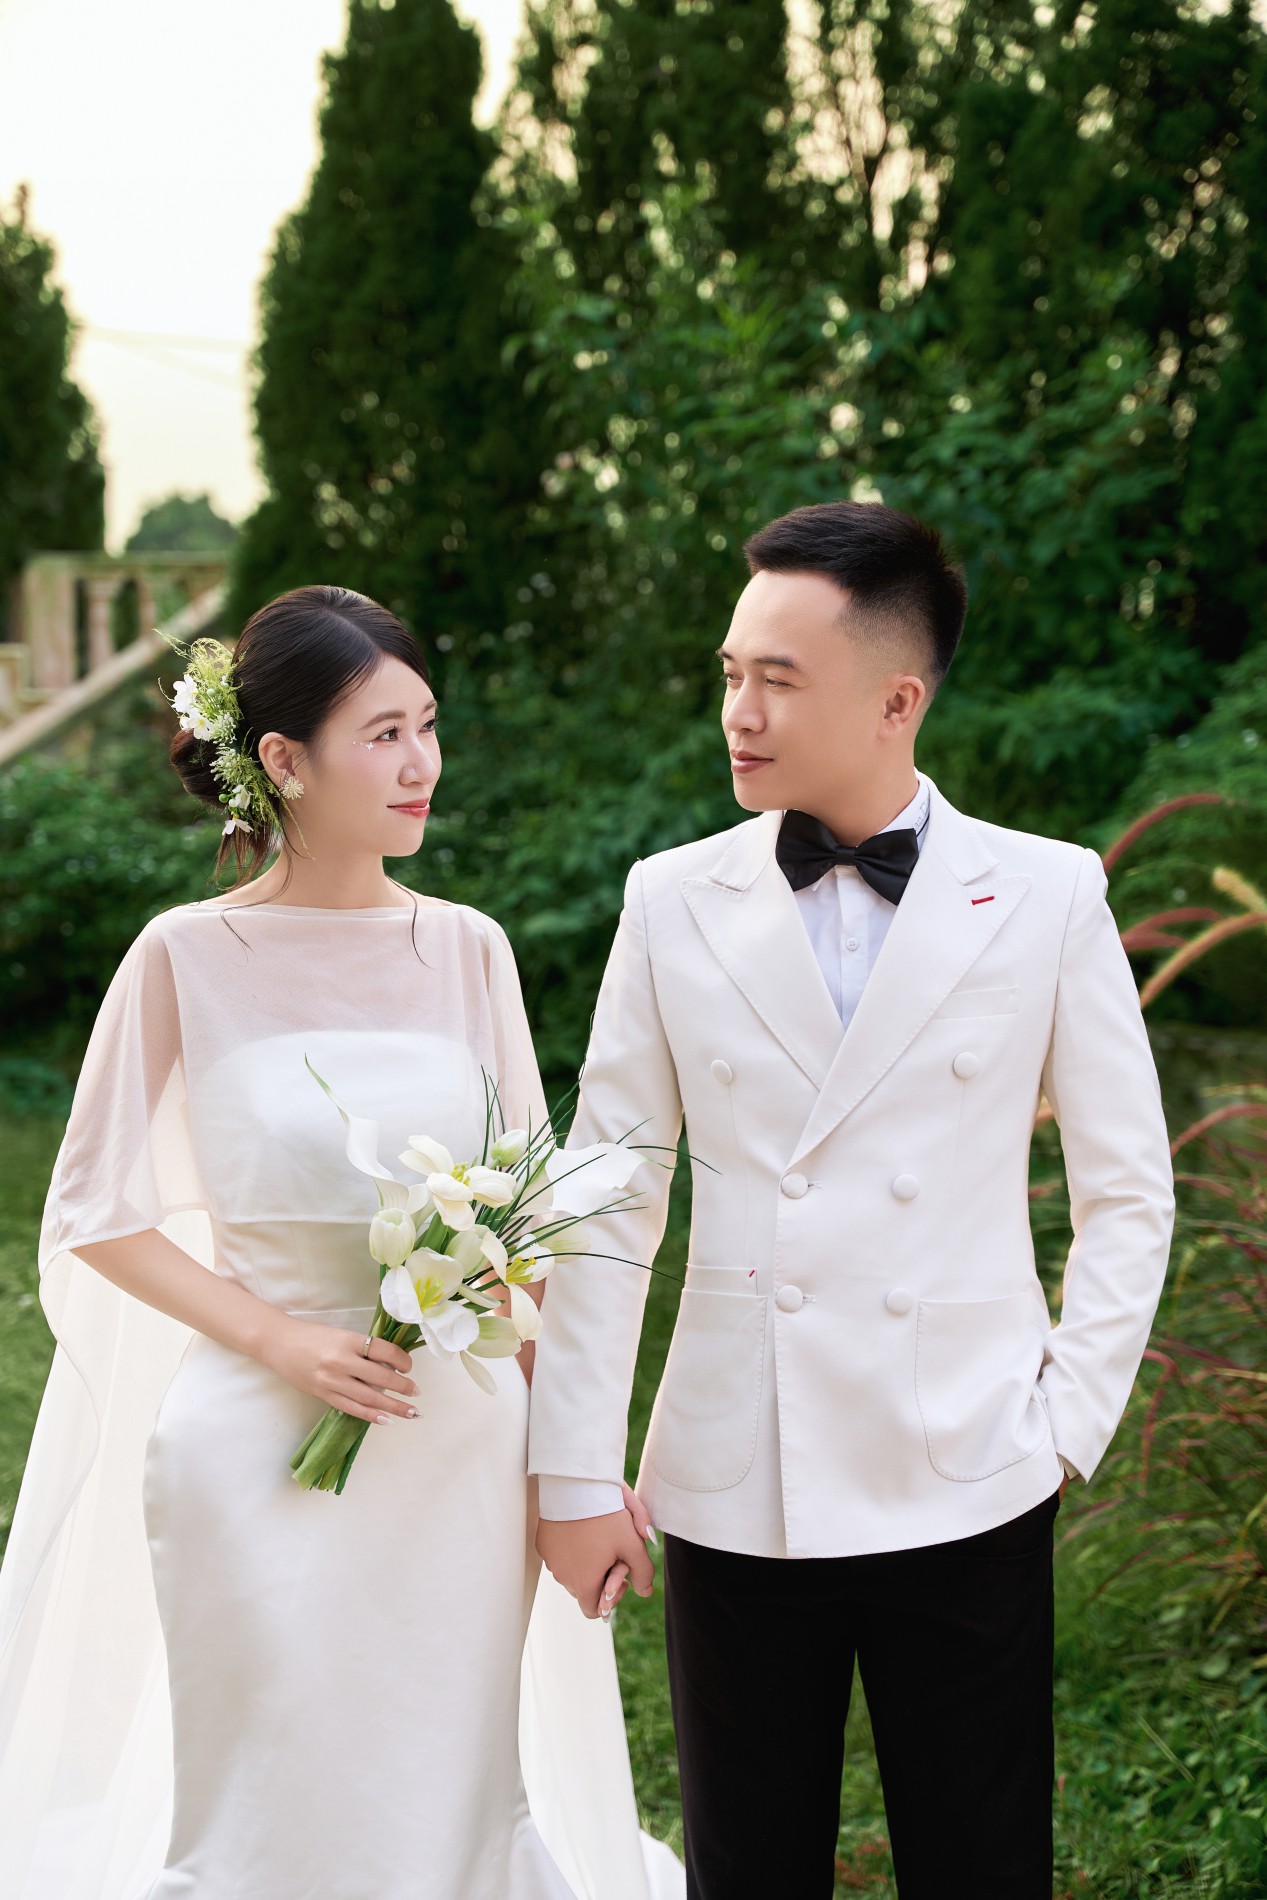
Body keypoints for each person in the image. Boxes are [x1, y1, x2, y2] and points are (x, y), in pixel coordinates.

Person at [529, 502, 1176, 1897]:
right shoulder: (670, 899)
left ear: (897, 700)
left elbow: (1128, 1185)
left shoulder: (1049, 894)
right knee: (748, 1865)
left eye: (779, 679)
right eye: (730, 674)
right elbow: (614, 1190)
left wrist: (1069, 1420)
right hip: (737, 1471)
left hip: (973, 1458)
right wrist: (573, 1469)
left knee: (982, 1860)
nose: (739, 713)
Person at [0, 586, 683, 1900]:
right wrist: (282, 1342)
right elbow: (91, 1209)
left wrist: (573, 1470)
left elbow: (531, 1228)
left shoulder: (467, 949)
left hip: (457, 1445)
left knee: (445, 1781)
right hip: (254, 1445)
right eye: (384, 734)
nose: (423, 762)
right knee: (265, 1786)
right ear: (284, 759)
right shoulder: (185, 957)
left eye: (426, 725)